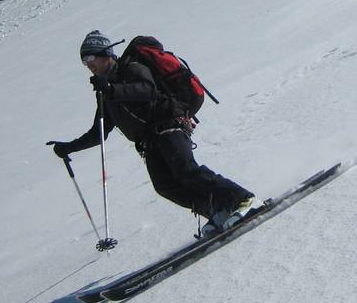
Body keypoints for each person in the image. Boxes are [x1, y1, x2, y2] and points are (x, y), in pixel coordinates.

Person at [50, 31, 254, 236]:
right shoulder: (105, 93)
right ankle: (217, 211)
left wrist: (113, 89)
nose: (89, 65)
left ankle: (242, 199)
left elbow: (147, 90)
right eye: (85, 61)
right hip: (149, 141)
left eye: (91, 58)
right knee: (164, 185)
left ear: (106, 54)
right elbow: (99, 133)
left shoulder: (131, 67)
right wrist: (68, 147)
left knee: (186, 170)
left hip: (168, 124)